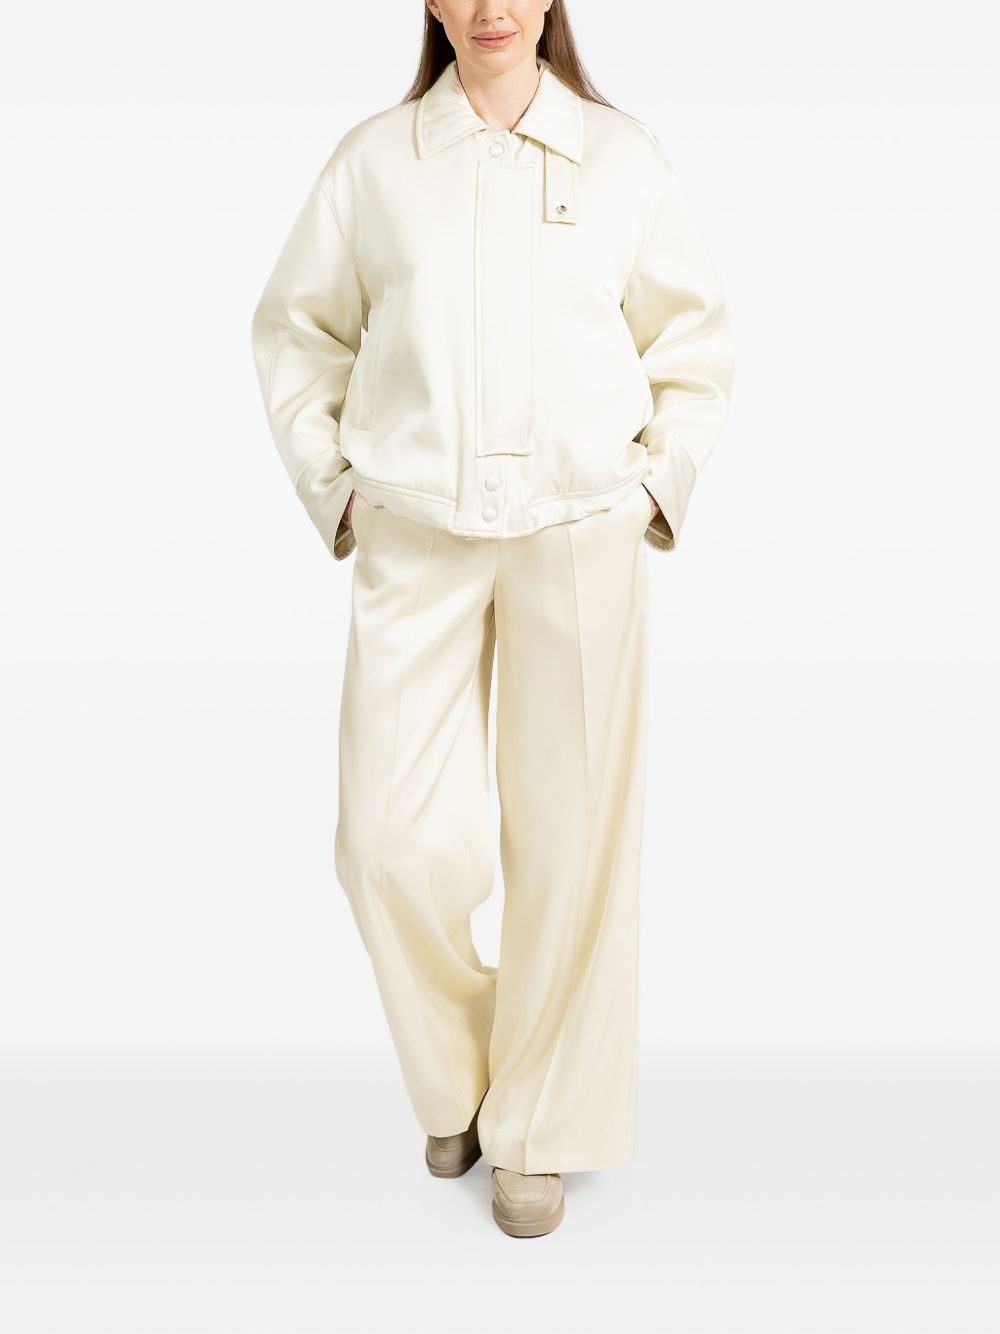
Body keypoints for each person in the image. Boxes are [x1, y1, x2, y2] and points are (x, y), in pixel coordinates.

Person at [250, 0, 735, 1238]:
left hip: (579, 528)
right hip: (413, 527)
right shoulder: (373, 163)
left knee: (572, 841)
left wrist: (653, 488)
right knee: (384, 839)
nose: (490, 7)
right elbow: (297, 330)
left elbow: (691, 340)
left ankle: (540, 1124)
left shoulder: (620, 158)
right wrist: (337, 489)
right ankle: (467, 1067)